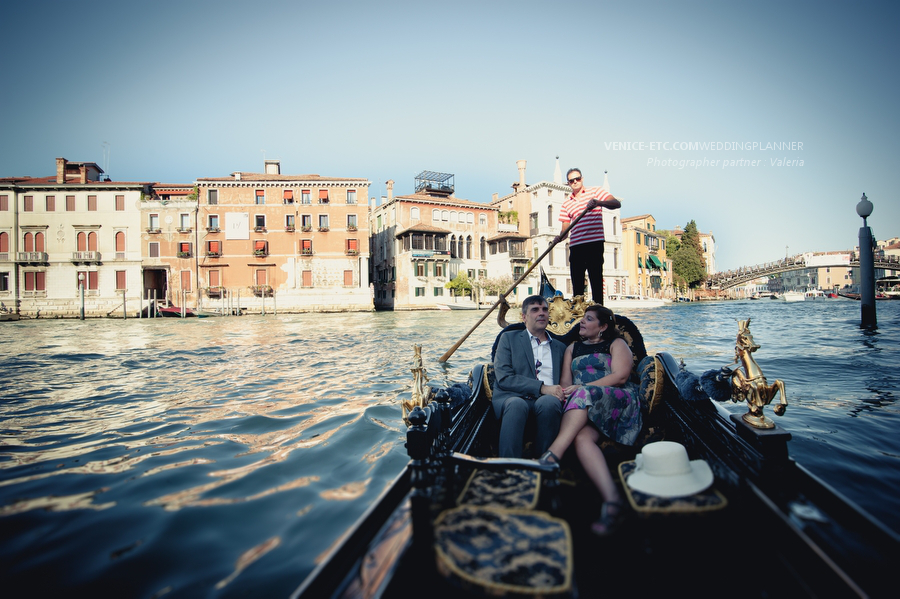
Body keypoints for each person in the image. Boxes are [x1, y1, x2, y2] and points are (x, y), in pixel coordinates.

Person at [540, 305, 642, 535]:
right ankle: (613, 501)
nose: (581, 323)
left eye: (588, 319)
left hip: (617, 401)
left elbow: (620, 376)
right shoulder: (572, 348)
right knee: (582, 439)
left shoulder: (617, 344)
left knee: (583, 393)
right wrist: (564, 393)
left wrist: (583, 388)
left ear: (603, 327)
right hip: (583, 403)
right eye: (582, 319)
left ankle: (551, 456)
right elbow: (566, 382)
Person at [492, 295, 567, 458]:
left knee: (549, 402)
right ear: (524, 317)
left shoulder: (560, 348)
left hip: (548, 399)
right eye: (535, 310)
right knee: (517, 404)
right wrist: (542, 388)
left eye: (545, 309)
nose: (542, 313)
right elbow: (504, 377)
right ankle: (509, 466)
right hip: (512, 396)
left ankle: (544, 464)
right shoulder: (508, 339)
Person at [555, 168, 621, 305]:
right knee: (577, 286)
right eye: (571, 180)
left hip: (594, 244)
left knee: (596, 281)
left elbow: (616, 203)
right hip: (576, 246)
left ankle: (599, 314)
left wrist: (598, 203)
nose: (575, 182)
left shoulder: (595, 192)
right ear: (568, 183)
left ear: (582, 179)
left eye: (577, 179)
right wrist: (559, 238)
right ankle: (579, 317)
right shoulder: (566, 203)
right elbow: (565, 230)